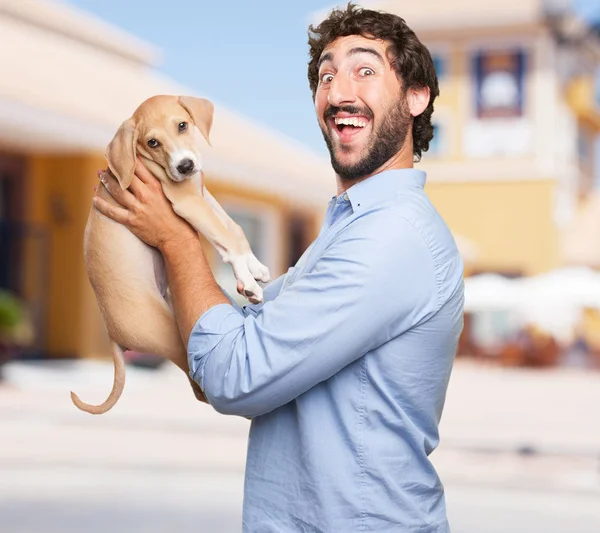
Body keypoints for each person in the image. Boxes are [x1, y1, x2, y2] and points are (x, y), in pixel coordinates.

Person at [94, 4, 464, 532]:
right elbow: (248, 325)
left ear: (416, 96)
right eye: (326, 75)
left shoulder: (392, 236)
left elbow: (234, 373)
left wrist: (177, 239)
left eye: (365, 70)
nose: (338, 92)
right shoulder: (349, 230)